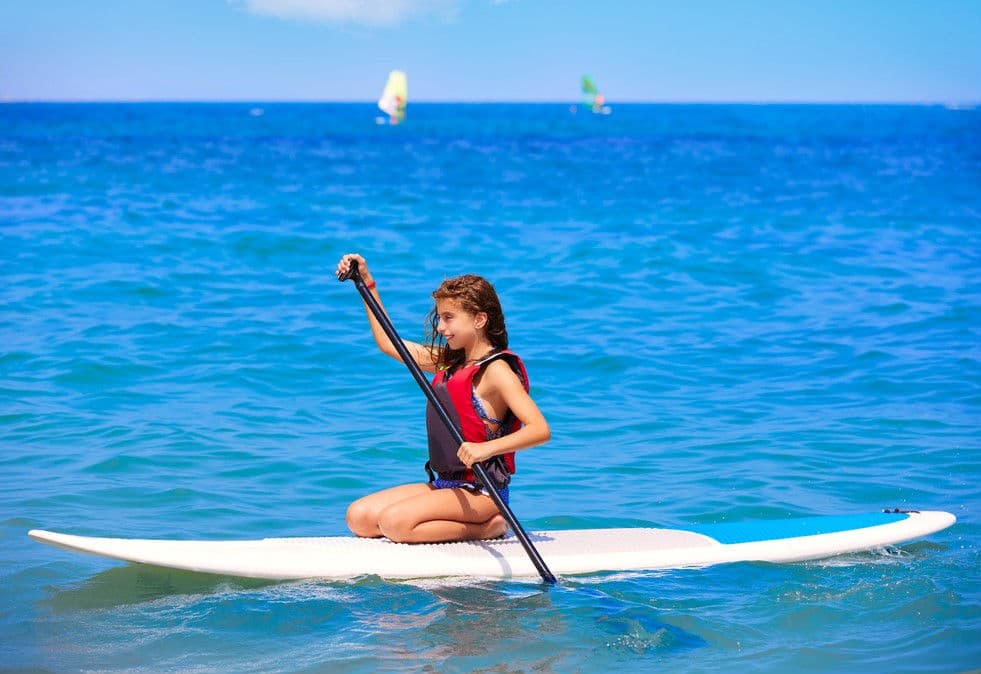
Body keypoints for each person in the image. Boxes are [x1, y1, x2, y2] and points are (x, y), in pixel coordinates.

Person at [335, 253, 550, 544]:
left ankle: (490, 528)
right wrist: (367, 284)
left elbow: (540, 430)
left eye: (449, 318)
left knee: (395, 523)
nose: (440, 327)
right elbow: (389, 343)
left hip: (482, 493)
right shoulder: (449, 363)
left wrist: (485, 449)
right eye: (439, 317)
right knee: (358, 517)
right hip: (446, 485)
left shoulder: (496, 371)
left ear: (479, 320)